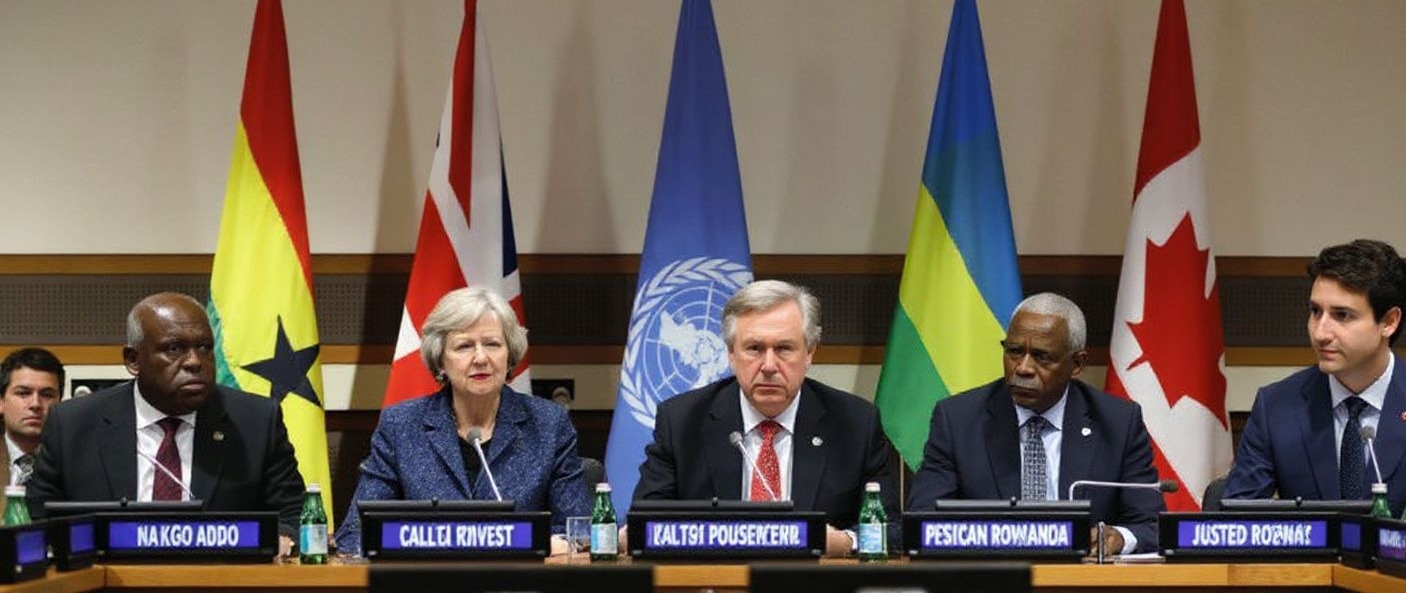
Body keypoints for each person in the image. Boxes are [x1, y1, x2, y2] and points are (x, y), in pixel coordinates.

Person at [632, 280, 900, 556]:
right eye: (754, 348)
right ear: (731, 354)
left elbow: (892, 531)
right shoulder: (681, 422)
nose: (769, 366)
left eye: (784, 348)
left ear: (810, 353)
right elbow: (645, 526)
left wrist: (844, 543)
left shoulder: (855, 423)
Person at [1224, 239, 1406, 521]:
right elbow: (1236, 522)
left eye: (1342, 315)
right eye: (1315, 311)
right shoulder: (1276, 407)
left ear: (1389, 322)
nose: (1320, 332)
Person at [334, 286, 588, 555]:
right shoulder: (401, 426)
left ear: (510, 355)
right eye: (464, 346)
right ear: (441, 360)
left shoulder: (549, 424)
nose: (480, 358)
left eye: (492, 344)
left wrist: (535, 543)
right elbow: (354, 535)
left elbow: (580, 532)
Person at [907, 293, 1163, 556]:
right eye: (1015, 352)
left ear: (1077, 364)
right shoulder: (958, 419)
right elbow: (922, 520)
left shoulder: (1118, 423)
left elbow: (1151, 524)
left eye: (1042, 357)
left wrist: (1118, 538)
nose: (1023, 368)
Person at [25, 293, 304, 535]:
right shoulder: (72, 424)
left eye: (204, 348)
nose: (195, 361)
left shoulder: (255, 421)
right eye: (174, 349)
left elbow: (293, 515)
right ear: (133, 360)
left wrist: (281, 537)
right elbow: (37, 518)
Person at [1, 348, 64, 511]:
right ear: (1, 402)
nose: (35, 404)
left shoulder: (76, 462)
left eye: (47, 395)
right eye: (23, 393)